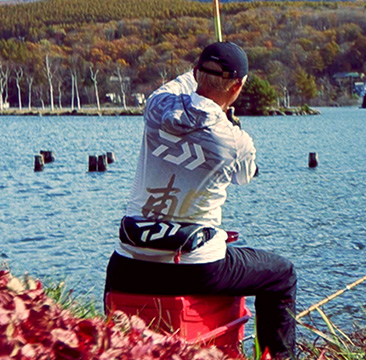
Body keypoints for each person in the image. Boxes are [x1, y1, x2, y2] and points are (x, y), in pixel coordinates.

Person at [105, 41, 297, 358]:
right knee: (282, 274)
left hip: (129, 263)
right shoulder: (236, 141)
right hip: (193, 268)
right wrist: (226, 119)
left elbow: (187, 84)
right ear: (238, 86)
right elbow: (245, 176)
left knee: (120, 265)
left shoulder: (155, 107)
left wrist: (208, 69)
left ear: (196, 73)